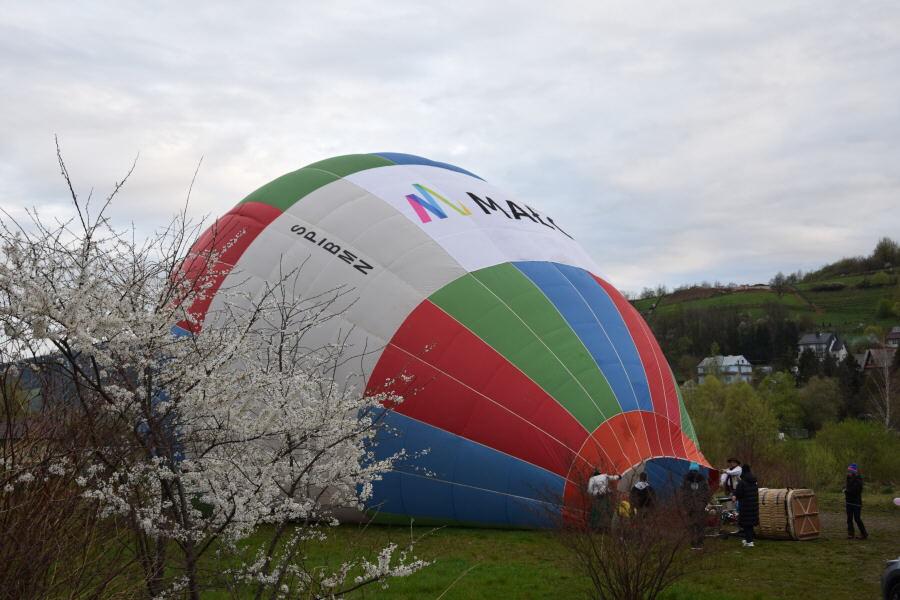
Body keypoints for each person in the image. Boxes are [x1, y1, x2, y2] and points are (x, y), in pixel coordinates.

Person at [681, 462, 710, 549]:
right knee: (699, 524)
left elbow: (683, 494)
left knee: (693, 524)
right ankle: (699, 543)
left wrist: (687, 505)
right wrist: (703, 503)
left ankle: (694, 543)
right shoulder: (702, 479)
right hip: (698, 506)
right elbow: (706, 493)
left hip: (691, 506)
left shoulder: (686, 479)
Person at [732, 464, 759, 548]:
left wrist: (735, 495)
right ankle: (748, 539)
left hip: (745, 506)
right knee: (750, 524)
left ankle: (750, 542)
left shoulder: (742, 482)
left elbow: (739, 493)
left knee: (746, 524)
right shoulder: (754, 481)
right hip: (753, 505)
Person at [844, 463, 868, 540]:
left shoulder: (858, 480)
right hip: (848, 502)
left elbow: (855, 490)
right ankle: (850, 534)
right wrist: (845, 489)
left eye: (850, 471)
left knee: (857, 519)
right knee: (849, 518)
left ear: (854, 472)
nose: (848, 472)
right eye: (848, 471)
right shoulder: (848, 478)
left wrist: (846, 491)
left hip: (856, 503)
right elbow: (848, 487)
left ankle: (864, 534)